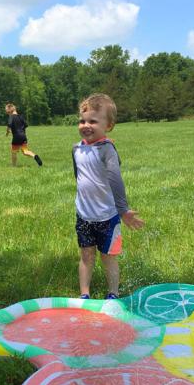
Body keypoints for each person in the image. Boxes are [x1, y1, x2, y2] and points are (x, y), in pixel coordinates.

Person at [72, 93, 144, 300]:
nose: (86, 125)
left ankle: (113, 293)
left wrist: (123, 210)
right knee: (86, 255)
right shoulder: (76, 149)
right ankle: (84, 294)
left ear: (109, 125)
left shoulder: (107, 150)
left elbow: (115, 179)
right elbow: (79, 176)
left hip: (107, 216)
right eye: (82, 120)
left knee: (108, 257)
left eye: (93, 121)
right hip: (84, 215)